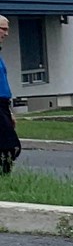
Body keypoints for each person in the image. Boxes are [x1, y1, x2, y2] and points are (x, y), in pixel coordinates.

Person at [0, 16, 19, 172]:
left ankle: (5, 175)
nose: (6, 34)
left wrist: (10, 111)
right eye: (3, 29)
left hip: (3, 104)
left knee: (8, 145)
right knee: (10, 145)